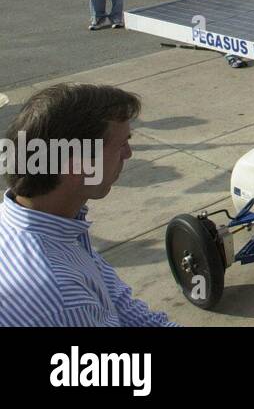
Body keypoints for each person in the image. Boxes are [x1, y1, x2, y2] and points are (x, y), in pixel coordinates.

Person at [0, 83, 173, 326]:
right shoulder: (62, 297)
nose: (129, 154)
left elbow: (120, 304)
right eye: (121, 144)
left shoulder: (53, 222)